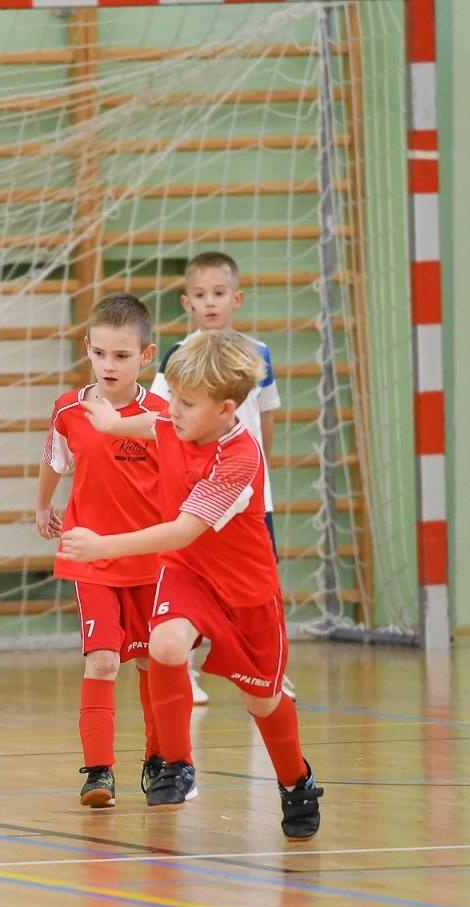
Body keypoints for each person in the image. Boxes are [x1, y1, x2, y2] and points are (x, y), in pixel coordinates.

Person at [59, 330, 324, 840]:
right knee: (164, 643)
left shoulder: (238, 459)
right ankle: (175, 762)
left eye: (186, 402)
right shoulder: (175, 422)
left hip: (245, 594)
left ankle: (297, 781)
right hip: (187, 574)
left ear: (226, 410)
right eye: (174, 397)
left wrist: (103, 546)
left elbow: (183, 529)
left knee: (262, 702)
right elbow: (153, 423)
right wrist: (113, 424)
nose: (172, 409)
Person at [35, 295, 167, 809]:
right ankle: (98, 772)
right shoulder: (70, 409)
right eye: (100, 353)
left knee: (154, 663)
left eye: (122, 356)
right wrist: (43, 505)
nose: (109, 365)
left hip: (151, 559)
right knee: (104, 660)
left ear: (146, 356)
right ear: (86, 347)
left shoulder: (160, 416)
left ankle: (162, 760)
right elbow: (55, 460)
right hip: (90, 557)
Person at [151, 251, 283, 706]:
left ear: (236, 299)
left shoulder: (258, 354)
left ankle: (267, 670)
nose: (210, 303)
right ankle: (184, 669)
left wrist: (263, 470)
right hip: (193, 496)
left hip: (245, 495)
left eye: (219, 293)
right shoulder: (178, 356)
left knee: (258, 584)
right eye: (201, 295)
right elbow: (160, 418)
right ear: (187, 303)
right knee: (189, 580)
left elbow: (267, 415)